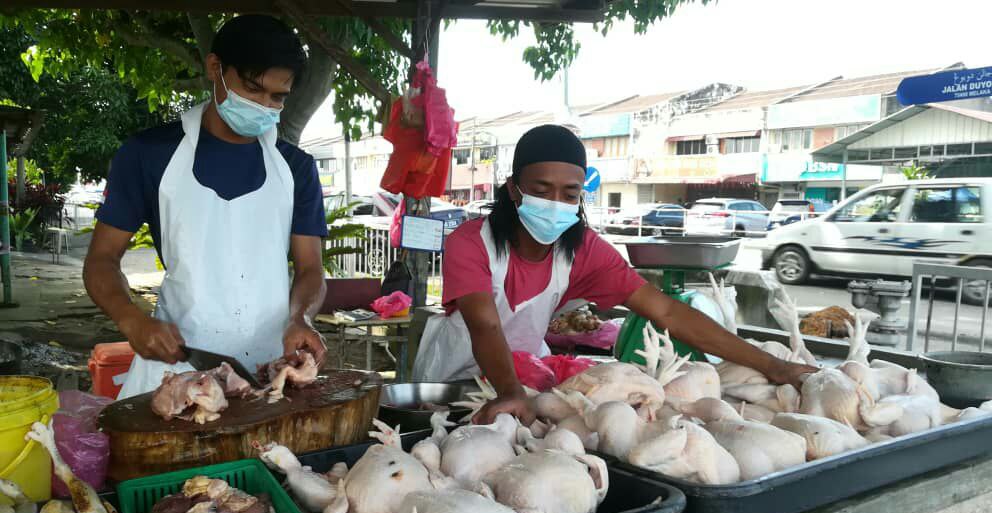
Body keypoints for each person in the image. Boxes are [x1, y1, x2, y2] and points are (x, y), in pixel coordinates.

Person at [412, 124, 815, 424]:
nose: (556, 202)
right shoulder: (471, 241)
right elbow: (484, 324)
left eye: (569, 193)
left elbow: (669, 313)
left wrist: (774, 366)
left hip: (523, 382)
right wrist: (510, 392)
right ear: (514, 189)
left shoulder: (583, 250)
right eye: (541, 189)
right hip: (457, 380)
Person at [84, 15, 328, 399]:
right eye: (252, 89)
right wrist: (131, 319)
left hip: (271, 371)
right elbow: (101, 259)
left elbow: (311, 268)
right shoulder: (148, 155)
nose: (264, 105)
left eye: (278, 97)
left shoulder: (296, 169)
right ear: (215, 68)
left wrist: (301, 317)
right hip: (178, 368)